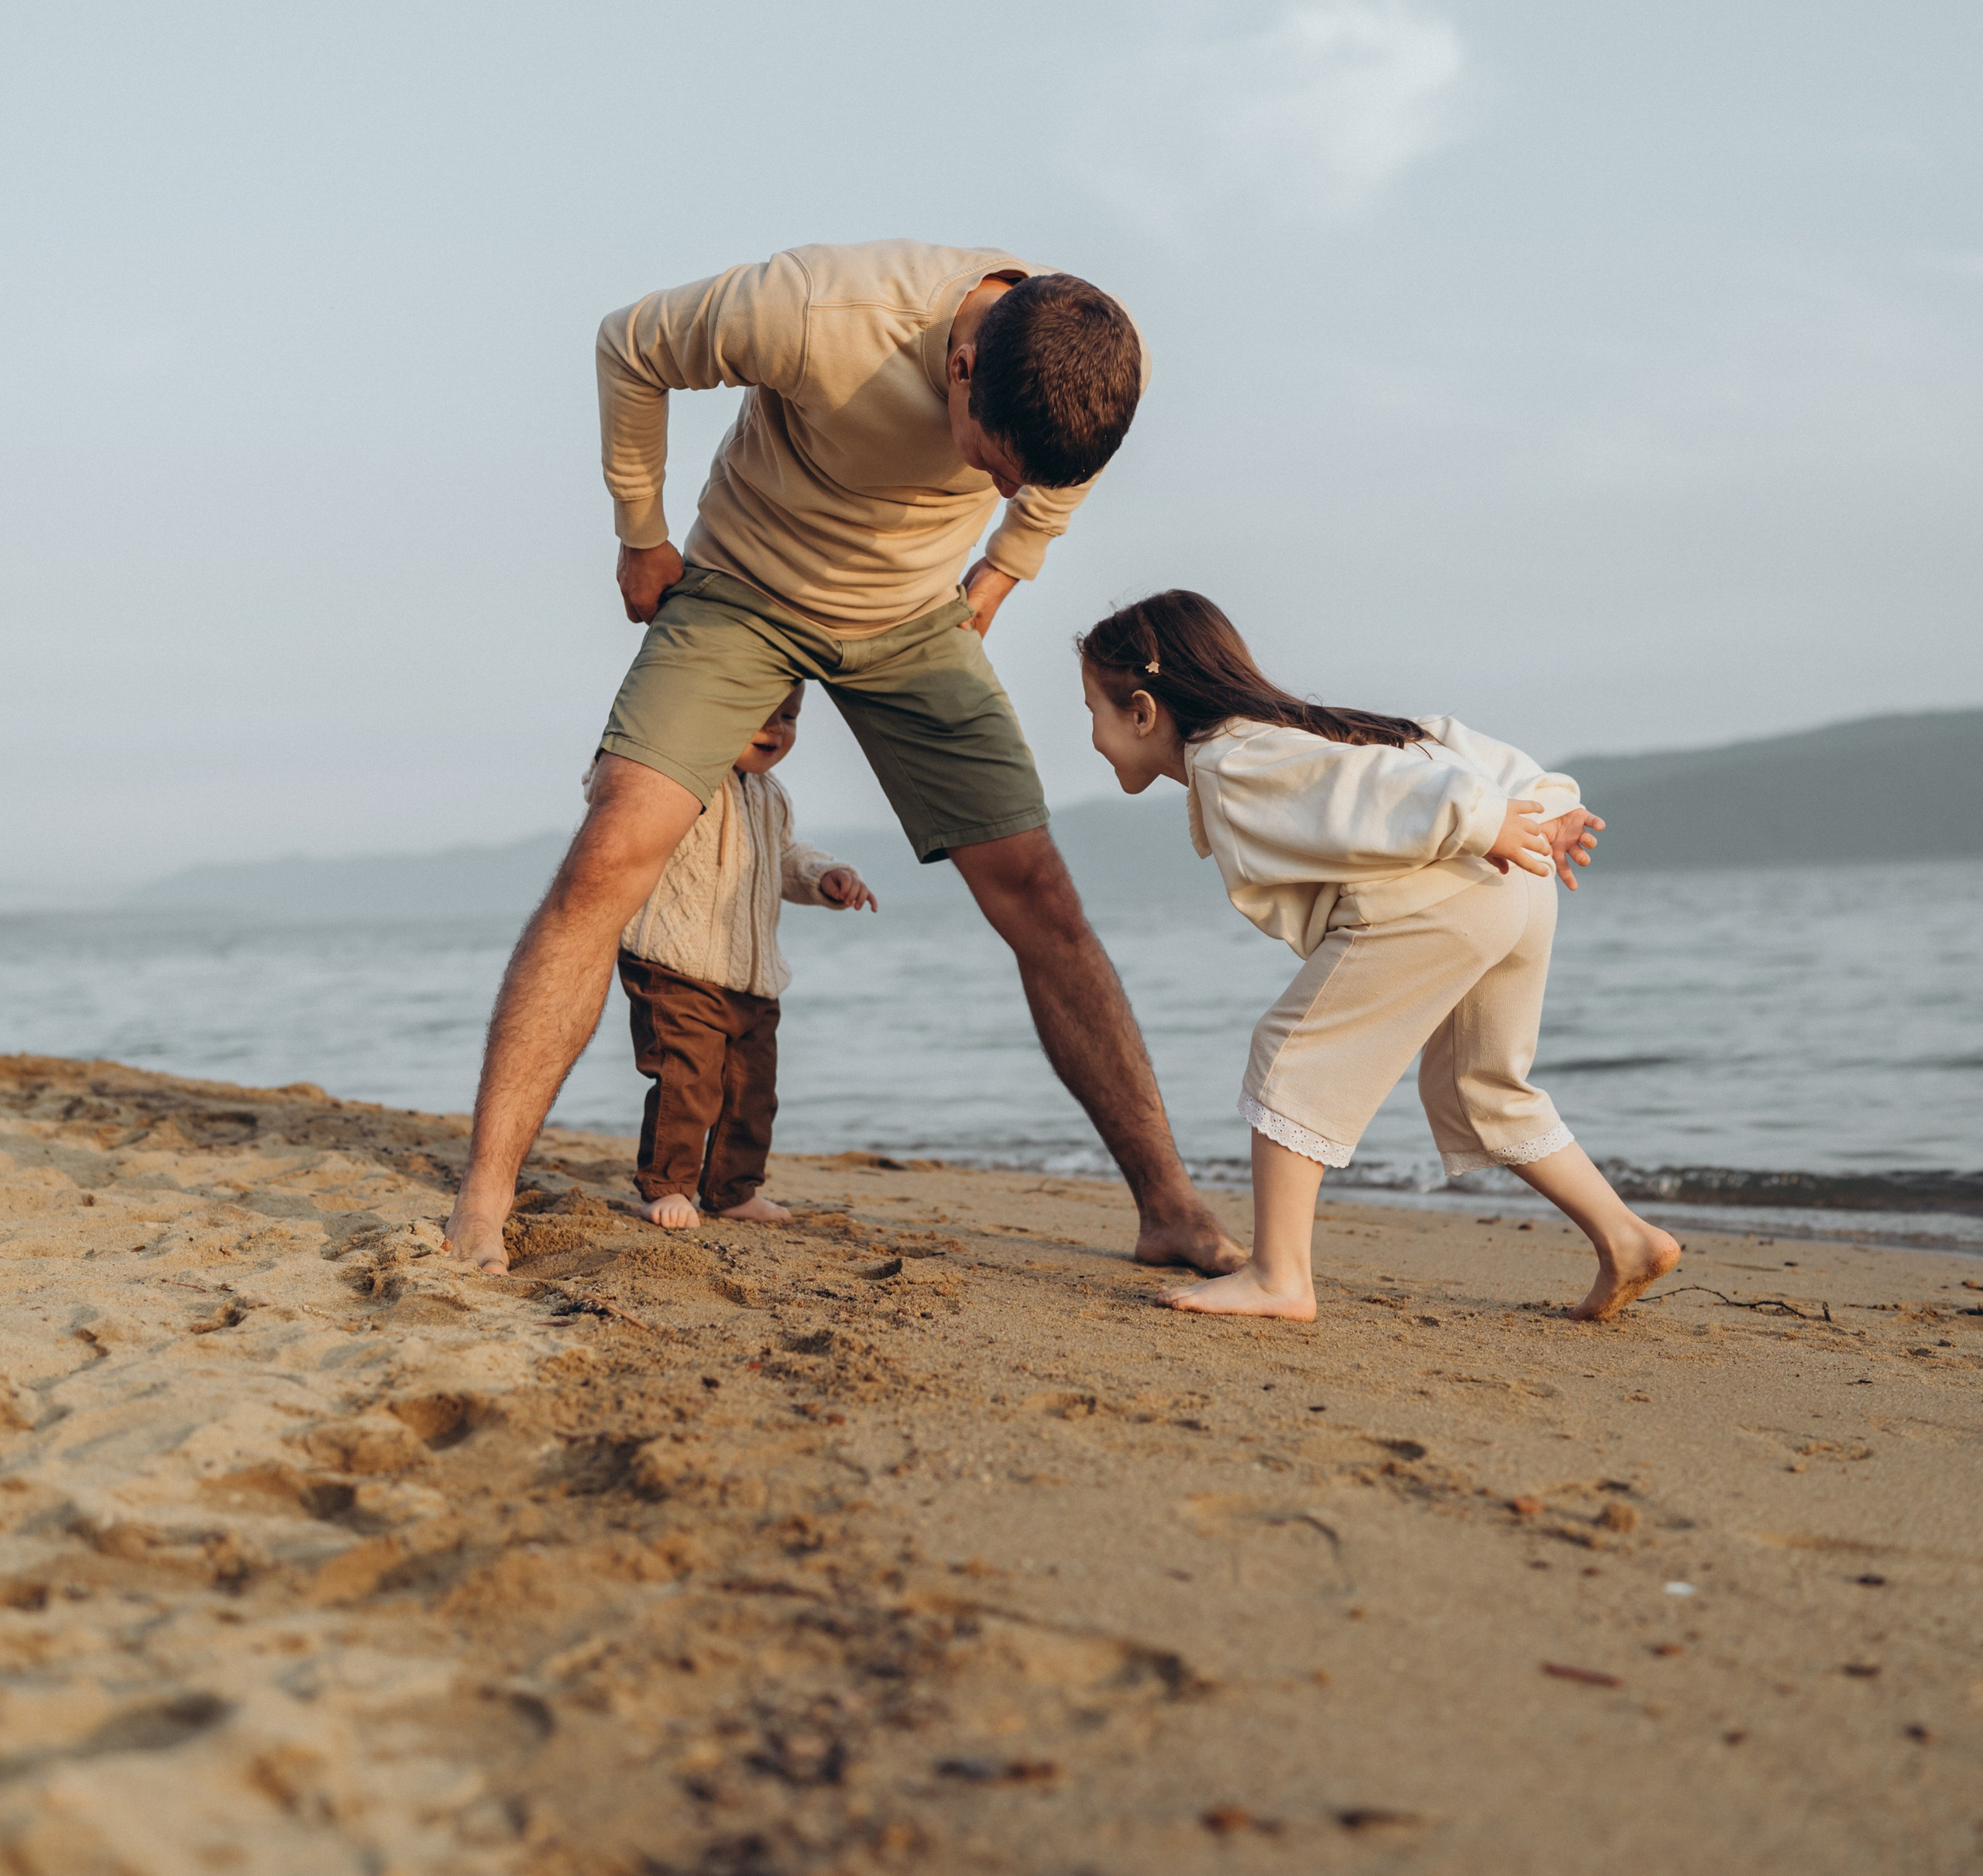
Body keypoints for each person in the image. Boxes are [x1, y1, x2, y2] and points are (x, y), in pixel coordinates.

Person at [444, 242, 1241, 1277]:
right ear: (961, 370)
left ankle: (1170, 1208)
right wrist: (640, 533)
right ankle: (483, 1201)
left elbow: (1049, 482)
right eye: (996, 459)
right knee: (612, 849)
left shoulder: (1078, 360)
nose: (1005, 484)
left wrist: (1004, 568)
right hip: (744, 587)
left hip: (912, 621)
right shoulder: (823, 312)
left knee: (1039, 891)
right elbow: (630, 344)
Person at [1076, 589, 1682, 1326]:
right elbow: (1447, 742)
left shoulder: (1231, 757)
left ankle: (1279, 1278)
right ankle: (1627, 1237)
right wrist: (1544, 803)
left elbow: (1376, 789)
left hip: (1443, 894)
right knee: (1478, 1086)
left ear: (1142, 710)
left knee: (1291, 1054)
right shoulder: (1311, 728)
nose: (1094, 739)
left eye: (1094, 717)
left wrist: (1485, 818)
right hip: (1517, 883)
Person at [601, 681, 875, 1230]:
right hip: (674, 963)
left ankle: (733, 1191)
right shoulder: (682, 771)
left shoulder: (771, 795)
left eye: (791, 717)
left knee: (753, 1092)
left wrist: (824, 877)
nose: (776, 730)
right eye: (761, 714)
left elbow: (787, 856)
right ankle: (667, 1186)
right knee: (687, 1082)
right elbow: (615, 791)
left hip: (751, 978)